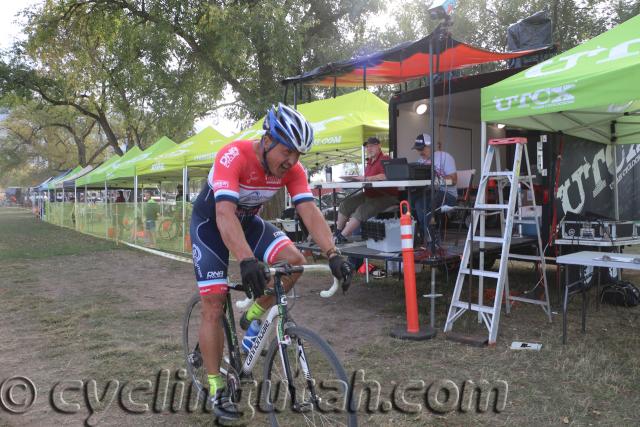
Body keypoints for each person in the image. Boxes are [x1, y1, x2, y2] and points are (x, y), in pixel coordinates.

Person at [190, 103, 352, 421]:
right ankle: (216, 388)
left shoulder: (292, 170)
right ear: (267, 140)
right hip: (210, 224)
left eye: (298, 154)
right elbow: (224, 213)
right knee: (214, 301)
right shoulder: (233, 156)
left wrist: (334, 254)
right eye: (287, 151)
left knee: (294, 263)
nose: (291, 160)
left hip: (248, 223)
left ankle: (252, 316)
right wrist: (247, 259)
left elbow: (309, 211)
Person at [334, 136, 398, 243]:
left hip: (387, 197)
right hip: (370, 195)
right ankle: (338, 232)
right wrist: (355, 179)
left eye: (372, 146)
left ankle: (341, 237)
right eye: (367, 147)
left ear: (379, 146)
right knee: (345, 204)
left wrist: (365, 178)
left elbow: (385, 176)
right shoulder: (369, 162)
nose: (369, 149)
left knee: (361, 210)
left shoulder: (385, 159)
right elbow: (367, 179)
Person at [411, 133, 457, 240]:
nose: (420, 152)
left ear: (429, 146)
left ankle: (429, 237)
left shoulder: (445, 157)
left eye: (422, 148)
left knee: (422, 204)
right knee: (411, 201)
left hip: (448, 195)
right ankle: (421, 236)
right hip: (430, 193)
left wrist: (434, 179)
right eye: (417, 149)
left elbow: (454, 180)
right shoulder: (420, 162)